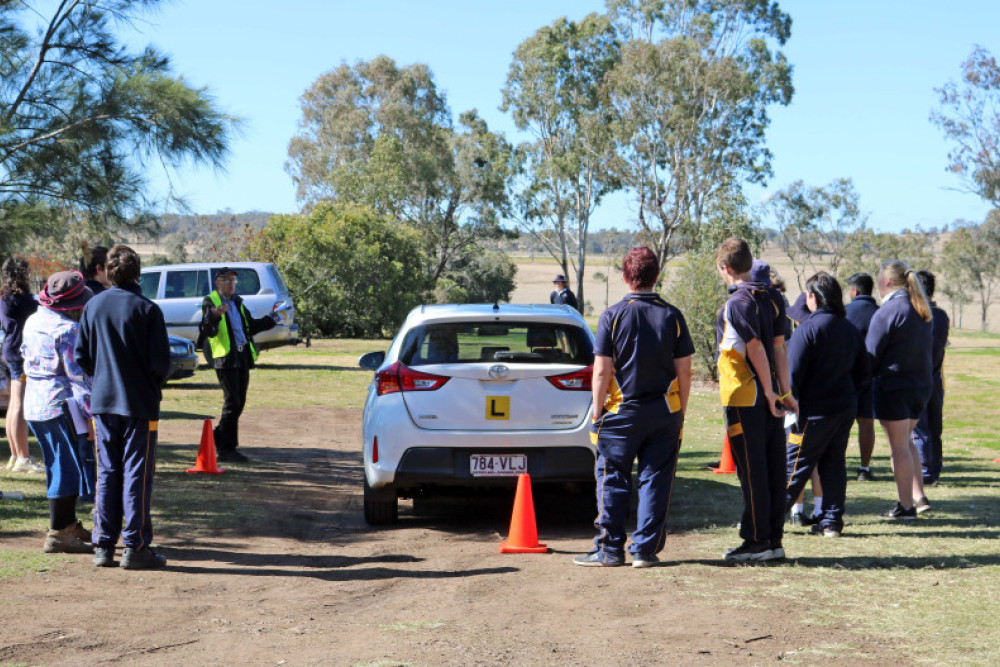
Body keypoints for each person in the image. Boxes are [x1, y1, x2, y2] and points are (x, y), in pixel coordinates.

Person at [574, 247, 693, 568]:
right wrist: (680, 412)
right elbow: (685, 370)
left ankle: (610, 550)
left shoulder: (612, 315)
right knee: (655, 479)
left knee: (613, 479)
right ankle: (644, 550)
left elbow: (601, 370)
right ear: (656, 276)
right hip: (663, 414)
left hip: (620, 414)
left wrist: (597, 411)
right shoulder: (673, 316)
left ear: (626, 277)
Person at [76, 245, 171, 569]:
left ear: (109, 271)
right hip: (139, 404)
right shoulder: (148, 309)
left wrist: (102, 378)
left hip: (103, 402)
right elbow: (161, 363)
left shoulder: (94, 306)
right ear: (137, 272)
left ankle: (103, 546)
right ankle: (135, 546)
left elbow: (82, 357)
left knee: (108, 472)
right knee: (136, 474)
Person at [715, 238, 796, 563]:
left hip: (746, 397)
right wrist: (784, 392)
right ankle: (773, 540)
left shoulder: (736, 303)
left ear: (725, 268)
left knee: (753, 473)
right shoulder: (773, 296)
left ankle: (758, 541)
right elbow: (779, 347)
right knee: (773, 469)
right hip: (771, 397)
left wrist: (768, 390)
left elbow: (757, 349)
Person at [784, 273, 870, 537]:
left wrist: (790, 404)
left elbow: (792, 375)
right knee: (834, 464)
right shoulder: (849, 329)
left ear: (814, 297)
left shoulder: (808, 329)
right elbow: (864, 372)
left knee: (794, 466)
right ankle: (831, 521)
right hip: (843, 409)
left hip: (812, 412)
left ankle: (764, 522)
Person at [21, 271, 94, 553]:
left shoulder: (34, 320)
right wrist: (92, 411)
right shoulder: (67, 330)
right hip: (60, 404)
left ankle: (67, 524)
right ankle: (57, 532)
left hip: (35, 403)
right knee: (66, 467)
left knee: (59, 464)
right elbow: (77, 377)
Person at [866, 259, 933, 519]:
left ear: (887, 282)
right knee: (907, 442)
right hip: (921, 386)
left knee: (899, 448)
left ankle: (905, 507)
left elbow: (870, 356)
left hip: (894, 387)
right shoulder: (921, 308)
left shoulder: (887, 311)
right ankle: (918, 497)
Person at [198, 267, 279, 463]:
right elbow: (207, 330)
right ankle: (227, 449)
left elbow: (251, 326)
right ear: (217, 282)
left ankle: (219, 435)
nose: (231, 284)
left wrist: (274, 318)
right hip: (225, 358)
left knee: (239, 402)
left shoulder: (238, 302)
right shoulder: (211, 301)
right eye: (226, 280)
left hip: (241, 357)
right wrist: (216, 315)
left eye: (233, 280)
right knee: (232, 402)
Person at [1, 256, 43, 474]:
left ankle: (15, 455)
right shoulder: (23, 300)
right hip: (20, 354)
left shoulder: (4, 297)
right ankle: (23, 458)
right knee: (20, 405)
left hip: (9, 351)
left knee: (13, 405)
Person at [912, 270, 949, 487]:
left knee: (920, 428)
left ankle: (925, 469)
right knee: (935, 428)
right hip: (936, 378)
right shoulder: (942, 315)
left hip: (919, 378)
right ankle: (935, 467)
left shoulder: (918, 316)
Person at [844, 273, 880, 481]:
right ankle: (864, 468)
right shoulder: (880, 313)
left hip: (847, 376)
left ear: (854, 291)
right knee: (866, 423)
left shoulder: (845, 312)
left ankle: (837, 462)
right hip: (873, 376)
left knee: (843, 423)